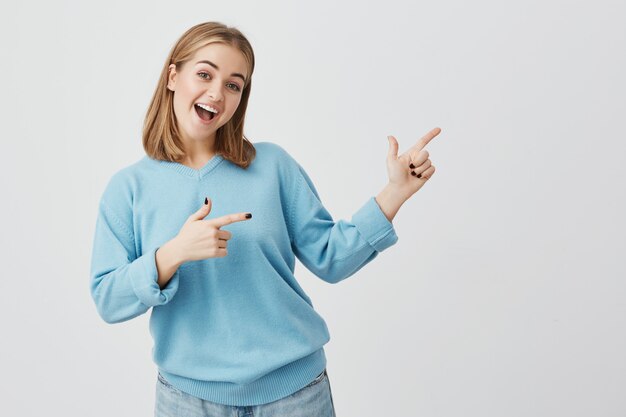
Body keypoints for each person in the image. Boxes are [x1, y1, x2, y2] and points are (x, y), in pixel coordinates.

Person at [89, 21, 440, 417]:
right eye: (204, 74)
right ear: (173, 76)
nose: (216, 94)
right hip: (187, 402)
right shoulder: (129, 188)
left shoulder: (272, 166)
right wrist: (171, 255)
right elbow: (108, 299)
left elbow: (331, 257)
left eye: (234, 85)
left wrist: (395, 192)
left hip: (297, 396)